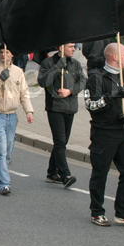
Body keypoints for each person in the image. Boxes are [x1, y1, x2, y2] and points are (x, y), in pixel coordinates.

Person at [84, 42, 124, 228]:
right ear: (114, 57)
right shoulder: (96, 78)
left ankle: (123, 212)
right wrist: (111, 97)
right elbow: (90, 105)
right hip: (104, 133)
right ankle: (97, 212)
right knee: (100, 172)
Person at [0, 46, 34, 195]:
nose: (3, 54)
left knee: (8, 150)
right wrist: (0, 79)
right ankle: (4, 183)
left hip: (12, 115)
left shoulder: (18, 71)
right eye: (1, 52)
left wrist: (29, 111)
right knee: (0, 148)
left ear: (12, 54)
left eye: (7, 52)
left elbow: (24, 92)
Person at [38, 43, 86, 187]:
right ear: (61, 47)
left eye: (74, 47)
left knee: (62, 142)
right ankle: (65, 174)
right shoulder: (48, 62)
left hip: (70, 107)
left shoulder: (75, 63)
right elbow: (43, 82)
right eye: (71, 46)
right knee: (60, 142)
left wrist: (70, 91)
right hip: (55, 107)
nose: (74, 49)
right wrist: (58, 66)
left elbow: (82, 81)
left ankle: (51, 172)